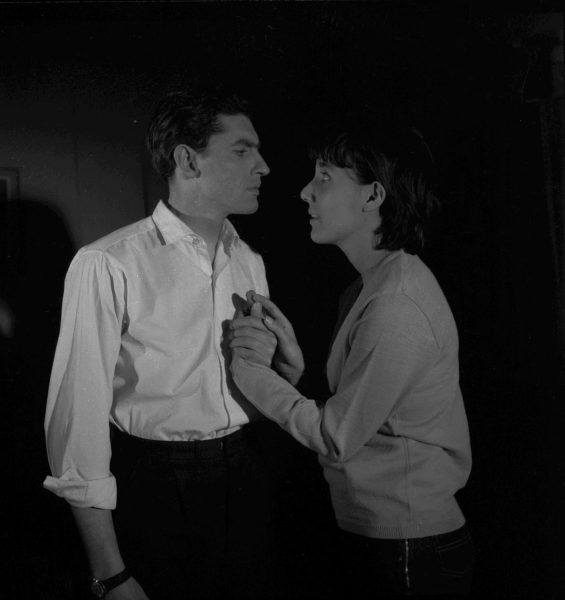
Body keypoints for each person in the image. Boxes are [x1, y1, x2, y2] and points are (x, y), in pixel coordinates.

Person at [44, 86, 275, 600]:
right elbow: (78, 424)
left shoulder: (250, 261)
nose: (263, 166)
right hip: (155, 489)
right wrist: (110, 575)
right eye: (243, 150)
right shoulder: (107, 263)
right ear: (188, 160)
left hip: (246, 476)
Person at [229, 116, 474, 597]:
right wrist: (294, 373)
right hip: (389, 539)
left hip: (410, 548)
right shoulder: (370, 286)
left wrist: (251, 372)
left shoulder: (396, 304)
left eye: (324, 176)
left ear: (373, 196)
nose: (305, 192)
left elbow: (336, 435)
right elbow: (362, 414)